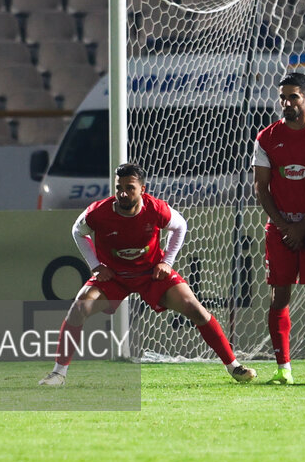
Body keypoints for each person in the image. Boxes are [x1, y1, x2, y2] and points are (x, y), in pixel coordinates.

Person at [39, 163, 256, 386]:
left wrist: (167, 262)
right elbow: (78, 231)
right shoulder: (99, 212)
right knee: (79, 308)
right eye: (119, 187)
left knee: (195, 309)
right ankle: (58, 374)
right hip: (114, 276)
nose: (123, 193)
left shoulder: (156, 209)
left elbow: (180, 226)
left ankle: (234, 367)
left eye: (129, 187)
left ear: (142, 189)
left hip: (150, 274)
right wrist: (95, 265)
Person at [253, 72, 305, 385]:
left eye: (293, 97)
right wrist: (284, 225)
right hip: (281, 229)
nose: (287, 103)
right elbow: (261, 188)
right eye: (283, 98)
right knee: (279, 297)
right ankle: (283, 369)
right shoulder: (266, 137)